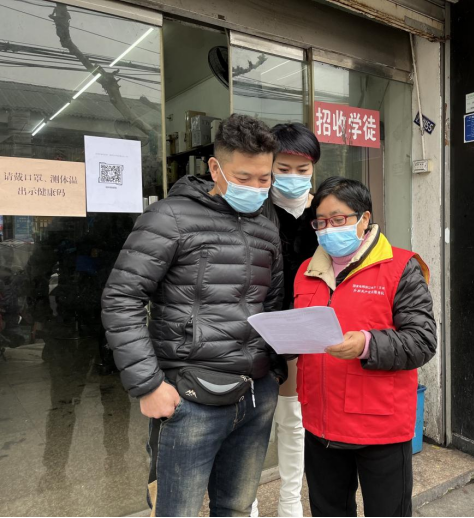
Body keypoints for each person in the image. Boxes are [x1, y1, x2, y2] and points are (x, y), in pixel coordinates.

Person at [101, 114, 287, 518]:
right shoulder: (169, 218)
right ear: (215, 168)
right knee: (176, 511)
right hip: (190, 397)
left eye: (264, 178)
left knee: (236, 508)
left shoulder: (266, 228)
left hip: (256, 396)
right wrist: (148, 385)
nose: (256, 188)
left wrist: (273, 371)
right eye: (244, 177)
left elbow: (270, 304)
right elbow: (121, 297)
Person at [294, 177, 437, 518]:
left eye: (338, 219)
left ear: (364, 218)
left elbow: (423, 340)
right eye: (321, 222)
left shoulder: (401, 267)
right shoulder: (306, 271)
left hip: (380, 426)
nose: (329, 229)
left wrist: (367, 344)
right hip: (321, 423)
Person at [256, 123, 319, 518]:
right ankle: (246, 502)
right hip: (256, 326)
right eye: (283, 168)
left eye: (302, 169)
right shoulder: (254, 206)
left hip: (302, 327)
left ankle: (290, 500)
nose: (293, 177)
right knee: (255, 419)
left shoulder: (325, 210)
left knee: (293, 417)